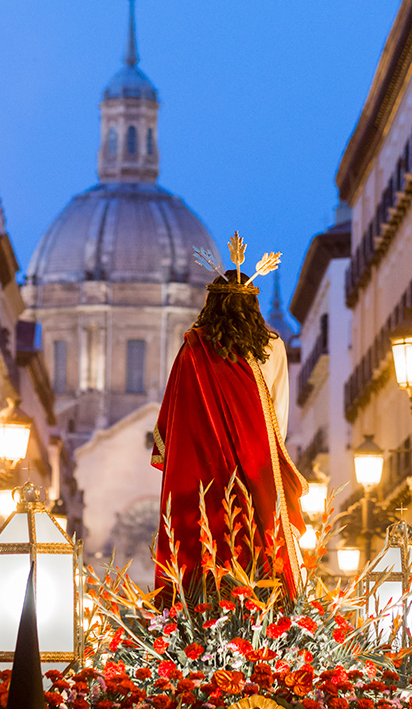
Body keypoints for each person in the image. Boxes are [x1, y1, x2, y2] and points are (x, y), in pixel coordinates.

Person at [151, 247, 306, 601]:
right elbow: (277, 420)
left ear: (211, 304)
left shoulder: (194, 350)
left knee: (207, 539)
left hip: (202, 470)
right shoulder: (272, 347)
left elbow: (176, 421)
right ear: (254, 306)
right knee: (259, 543)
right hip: (256, 466)